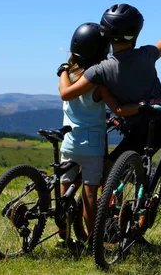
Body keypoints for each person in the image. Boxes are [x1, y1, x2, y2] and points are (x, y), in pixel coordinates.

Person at [59, 4, 161, 254]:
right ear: (135, 34)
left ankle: (112, 224)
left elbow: (68, 93)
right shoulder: (146, 54)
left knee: (111, 169)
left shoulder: (99, 70)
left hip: (140, 125)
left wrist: (63, 70)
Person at [57, 22, 138, 246]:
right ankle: (95, 240)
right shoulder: (98, 85)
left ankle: (63, 236)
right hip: (91, 146)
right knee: (90, 193)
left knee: (65, 186)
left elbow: (64, 88)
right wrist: (142, 105)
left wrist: (63, 69)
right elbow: (119, 110)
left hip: (69, 142)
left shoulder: (67, 76)